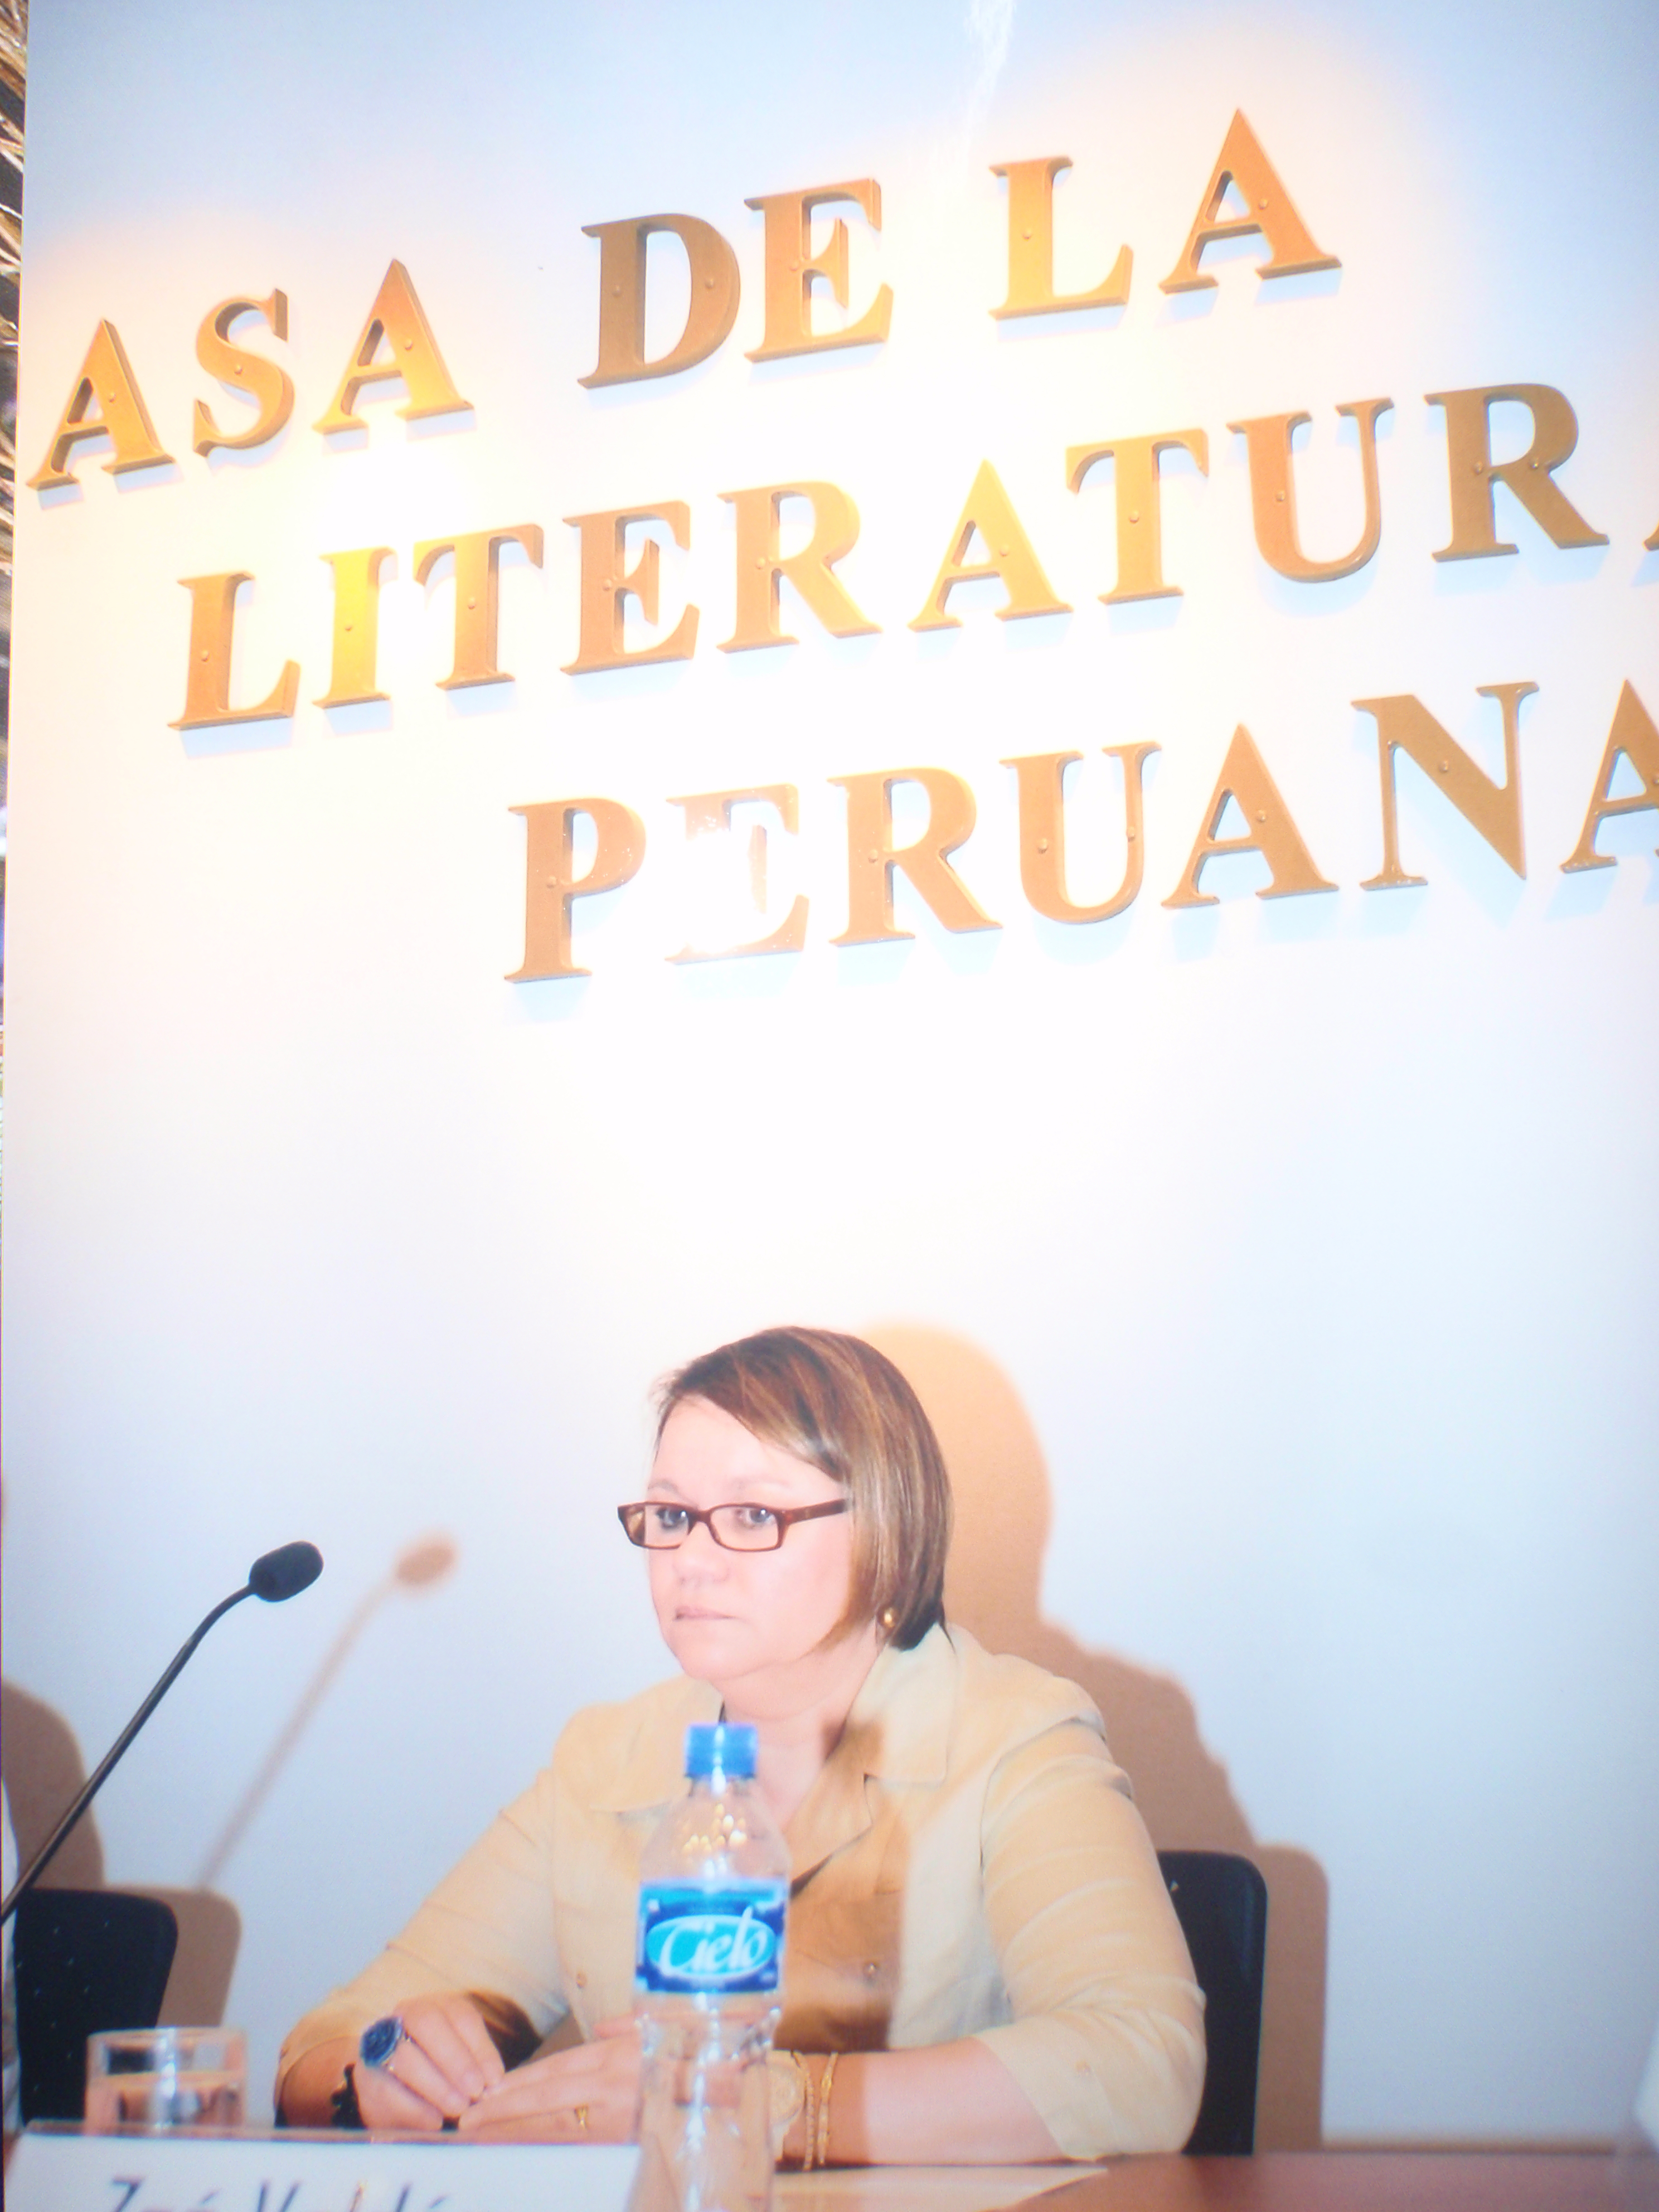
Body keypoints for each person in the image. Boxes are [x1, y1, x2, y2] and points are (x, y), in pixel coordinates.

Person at [277, 1327, 1204, 2161]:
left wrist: (764, 2105)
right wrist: (381, 2071)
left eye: (754, 1516)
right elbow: (321, 2048)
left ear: (886, 1525)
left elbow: (1143, 2063)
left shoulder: (1016, 1739)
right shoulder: (606, 1759)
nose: (692, 1558)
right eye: (671, 1516)